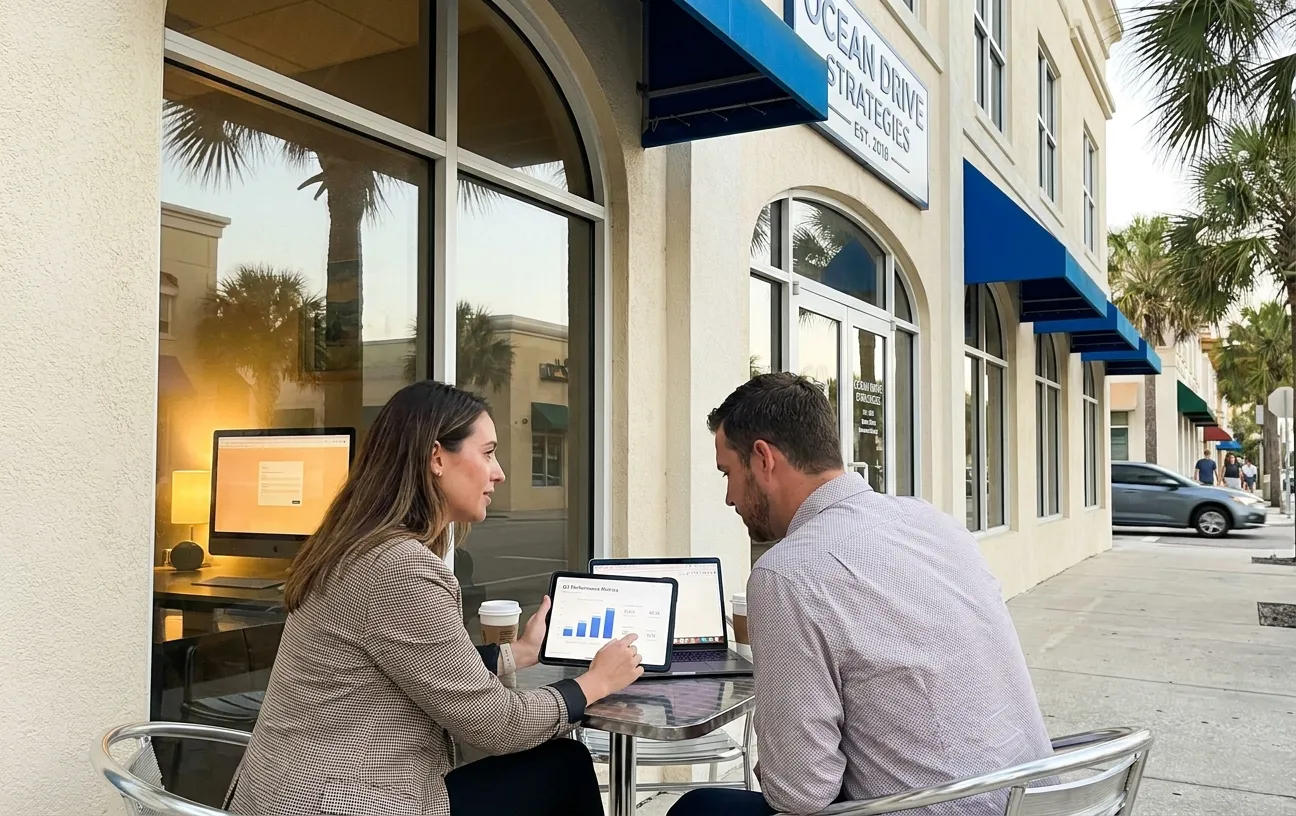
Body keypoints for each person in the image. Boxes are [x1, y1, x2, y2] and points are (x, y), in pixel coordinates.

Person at [226, 381, 644, 816]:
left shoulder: (356, 544)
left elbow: (417, 664)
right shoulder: (400, 567)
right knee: (565, 765)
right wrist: (597, 683)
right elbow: (497, 724)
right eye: (487, 453)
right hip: (341, 801)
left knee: (557, 766)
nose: (498, 472)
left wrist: (516, 654)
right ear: (436, 458)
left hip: (281, 791)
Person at [670, 373, 1053, 816]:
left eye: (728, 474)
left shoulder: (787, 574)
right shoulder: (935, 523)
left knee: (699, 810)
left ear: (763, 459)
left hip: (942, 808)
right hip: (1039, 801)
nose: (729, 497)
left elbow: (799, 793)